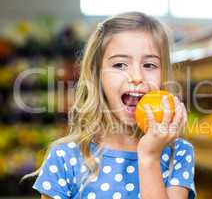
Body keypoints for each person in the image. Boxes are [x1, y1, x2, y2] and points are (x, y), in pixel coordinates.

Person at [29, 11, 196, 199]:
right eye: (120, 65)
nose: (137, 77)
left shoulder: (178, 154)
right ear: (97, 75)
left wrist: (150, 157)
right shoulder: (65, 157)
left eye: (149, 65)